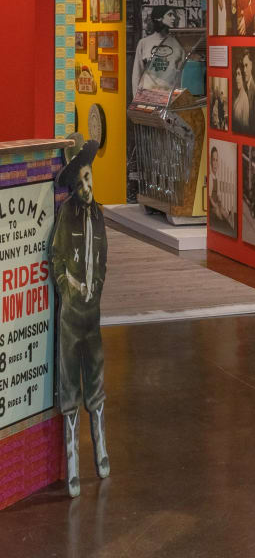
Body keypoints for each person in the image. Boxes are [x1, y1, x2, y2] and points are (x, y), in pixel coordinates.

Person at [50, 136, 109, 498]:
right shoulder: (67, 215)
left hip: (94, 315)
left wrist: (96, 287)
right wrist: (67, 290)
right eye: (81, 182)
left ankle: (100, 445)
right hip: (72, 317)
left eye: (89, 178)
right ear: (72, 185)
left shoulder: (99, 214)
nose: (87, 187)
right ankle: (73, 456)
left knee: (97, 380)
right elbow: (57, 259)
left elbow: (102, 258)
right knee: (71, 383)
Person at [132, 5, 185, 97]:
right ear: (159, 17)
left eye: (174, 15)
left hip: (168, 96)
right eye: (170, 14)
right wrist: (135, 97)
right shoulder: (144, 43)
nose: (173, 18)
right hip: (148, 95)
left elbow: (182, 74)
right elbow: (137, 72)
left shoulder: (178, 44)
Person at [209, 145, 234, 236]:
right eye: (213, 160)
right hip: (212, 205)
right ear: (211, 161)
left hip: (217, 203)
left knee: (224, 211)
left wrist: (220, 203)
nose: (215, 163)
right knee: (219, 213)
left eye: (216, 160)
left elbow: (218, 193)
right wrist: (215, 206)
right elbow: (209, 197)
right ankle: (224, 220)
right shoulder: (210, 177)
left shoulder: (217, 177)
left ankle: (228, 218)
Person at [242, 49, 255, 137]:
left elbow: (254, 125)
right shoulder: (243, 88)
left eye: (246, 66)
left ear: (251, 66)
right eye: (243, 66)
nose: (244, 70)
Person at [232, 63, 250, 135]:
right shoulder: (238, 97)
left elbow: (245, 128)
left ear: (243, 77)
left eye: (239, 74)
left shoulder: (245, 99)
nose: (237, 77)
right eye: (236, 74)